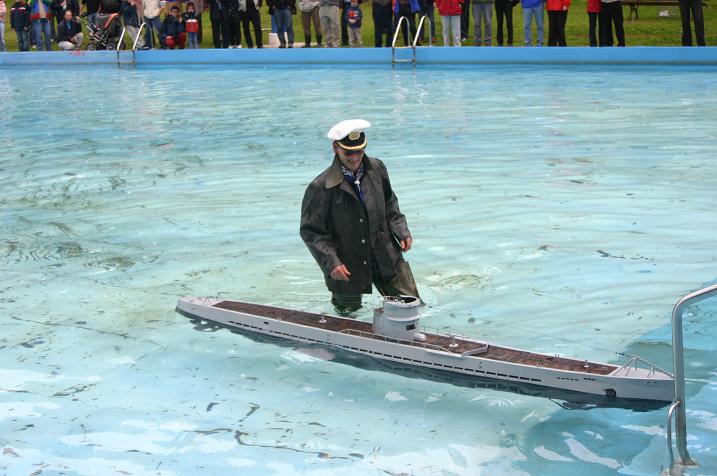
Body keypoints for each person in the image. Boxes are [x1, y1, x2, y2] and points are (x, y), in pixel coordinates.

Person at [300, 119, 420, 313]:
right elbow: (311, 232)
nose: (355, 157)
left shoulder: (378, 168)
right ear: (336, 148)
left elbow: (390, 202)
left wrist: (401, 230)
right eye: (348, 152)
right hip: (346, 264)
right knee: (347, 314)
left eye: (359, 151)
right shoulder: (320, 187)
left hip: (386, 254)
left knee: (411, 308)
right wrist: (331, 263)